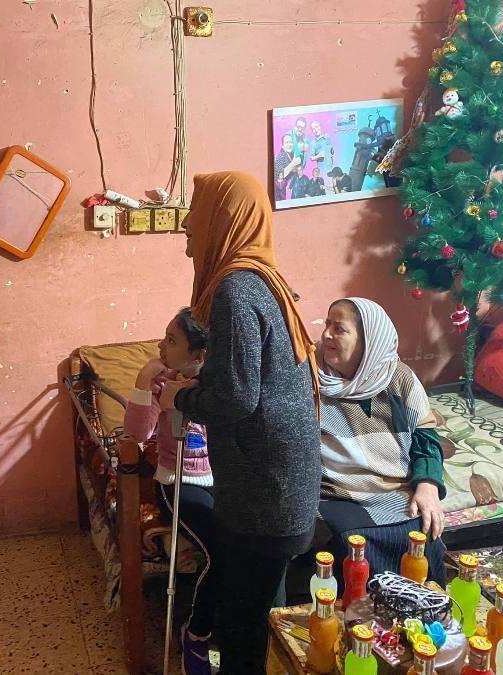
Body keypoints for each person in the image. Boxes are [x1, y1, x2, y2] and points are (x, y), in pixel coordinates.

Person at [160, 171, 321, 675]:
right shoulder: (262, 280)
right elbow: (251, 382)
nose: (188, 226)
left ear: (223, 219)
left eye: (197, 213)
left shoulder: (236, 289)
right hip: (276, 481)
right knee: (260, 611)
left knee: (244, 623)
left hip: (264, 490)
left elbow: (236, 398)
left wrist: (183, 396)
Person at [317, 297, 447, 586]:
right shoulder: (311, 377)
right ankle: (361, 612)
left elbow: (425, 436)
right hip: (334, 490)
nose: (326, 335)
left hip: (395, 487)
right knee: (353, 541)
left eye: (339, 329)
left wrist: (427, 485)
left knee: (423, 531)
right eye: (327, 325)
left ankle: (422, 610)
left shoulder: (398, 377)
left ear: (369, 341)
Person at [122, 308, 214, 675]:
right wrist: (144, 381)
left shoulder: (218, 387)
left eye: (172, 340)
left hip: (223, 483)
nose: (161, 345)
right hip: (177, 482)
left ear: (199, 355)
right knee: (220, 552)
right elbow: (136, 433)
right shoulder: (163, 384)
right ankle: (196, 634)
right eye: (165, 337)